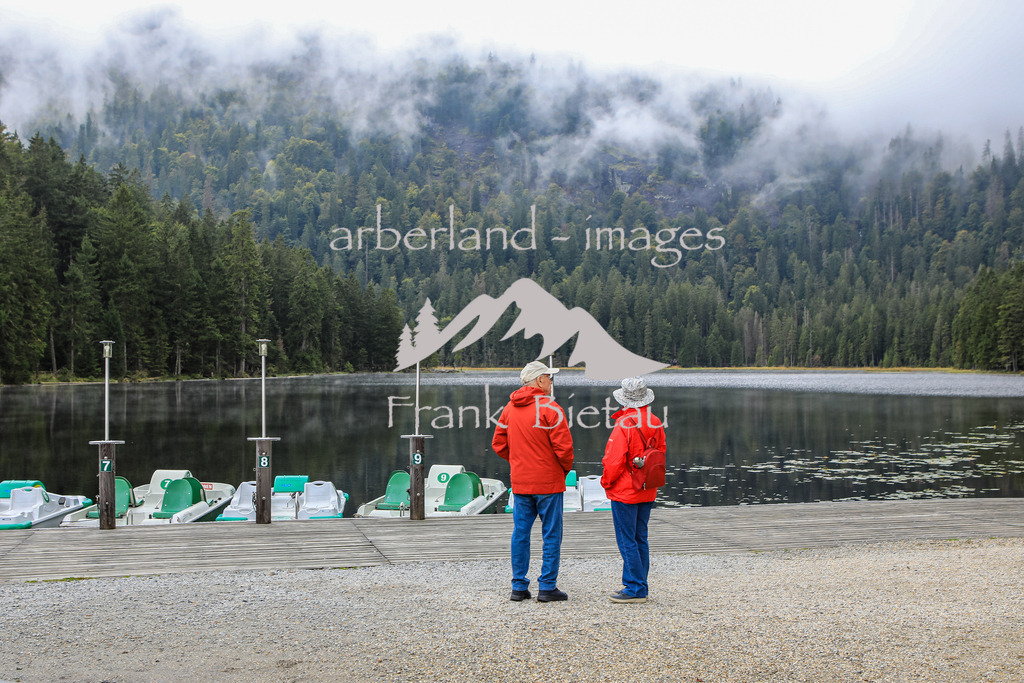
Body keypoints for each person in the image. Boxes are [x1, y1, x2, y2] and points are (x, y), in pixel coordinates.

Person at [492, 360, 575, 602]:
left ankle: (519, 586)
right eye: (550, 378)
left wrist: (519, 461)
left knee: (520, 533)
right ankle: (547, 587)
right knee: (551, 534)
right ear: (540, 381)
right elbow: (564, 449)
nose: (551, 382)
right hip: (548, 483)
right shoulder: (551, 408)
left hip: (521, 482)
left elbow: (498, 444)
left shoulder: (509, 408)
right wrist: (561, 469)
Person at [600, 376, 665, 604]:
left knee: (627, 538)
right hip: (647, 488)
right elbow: (660, 453)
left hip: (625, 491)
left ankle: (634, 588)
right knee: (640, 537)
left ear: (625, 401)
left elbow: (614, 461)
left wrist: (606, 483)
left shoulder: (624, 425)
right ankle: (641, 585)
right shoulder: (656, 421)